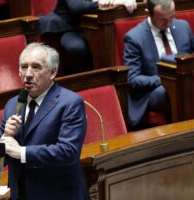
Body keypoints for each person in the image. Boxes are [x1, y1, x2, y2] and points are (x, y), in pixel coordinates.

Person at [0, 43, 88, 199]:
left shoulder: (70, 103)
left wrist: (21, 152)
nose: (28, 74)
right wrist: (5, 138)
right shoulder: (12, 104)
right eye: (24, 67)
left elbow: (68, 152)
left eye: (36, 67)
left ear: (52, 72)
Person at [124, 0, 194, 128]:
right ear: (149, 14)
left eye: (171, 17)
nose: (168, 23)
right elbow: (132, 79)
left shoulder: (183, 26)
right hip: (154, 90)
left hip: (187, 82)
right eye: (162, 19)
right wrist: (164, 80)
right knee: (175, 91)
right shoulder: (135, 37)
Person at [40, 0, 137, 74]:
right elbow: (76, 6)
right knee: (76, 47)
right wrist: (103, 3)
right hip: (69, 27)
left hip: (96, 26)